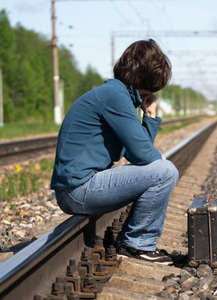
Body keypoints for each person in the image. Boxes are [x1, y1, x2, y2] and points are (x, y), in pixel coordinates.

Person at [50, 39, 179, 264]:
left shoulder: (116, 94)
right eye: (152, 89)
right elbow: (143, 155)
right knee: (165, 171)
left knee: (161, 169)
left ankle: (138, 241)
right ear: (147, 80)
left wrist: (148, 118)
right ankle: (137, 243)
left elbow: (139, 155)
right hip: (77, 190)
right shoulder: (115, 97)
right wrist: (150, 118)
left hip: (76, 188)